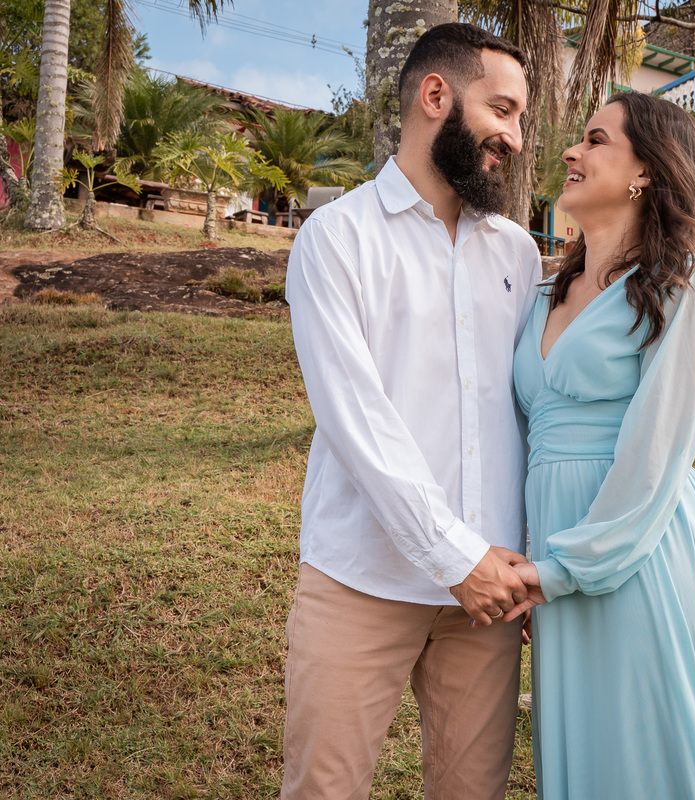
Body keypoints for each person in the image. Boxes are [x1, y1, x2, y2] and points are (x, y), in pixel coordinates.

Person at [281, 23, 541, 800]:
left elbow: (528, 415)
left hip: (487, 604)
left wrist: (515, 561)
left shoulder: (518, 255)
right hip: (359, 580)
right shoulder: (336, 238)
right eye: (502, 110)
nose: (516, 138)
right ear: (437, 96)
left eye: (521, 119)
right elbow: (356, 420)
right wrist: (453, 554)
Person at [505, 91, 695, 799]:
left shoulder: (681, 288)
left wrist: (564, 569)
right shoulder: (543, 292)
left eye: (594, 140)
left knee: (655, 770)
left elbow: (655, 450)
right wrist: (536, 559)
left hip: (646, 555)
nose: (571, 153)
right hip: (558, 564)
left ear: (646, 170)